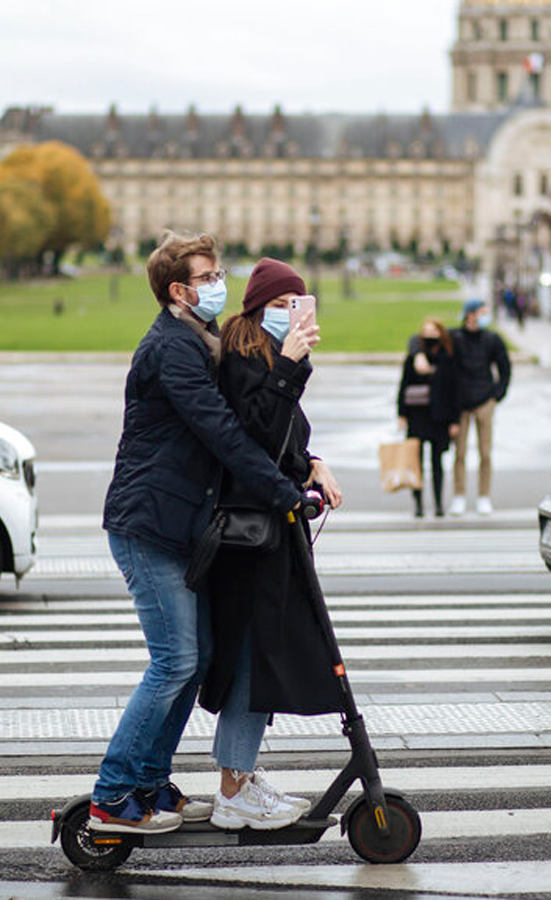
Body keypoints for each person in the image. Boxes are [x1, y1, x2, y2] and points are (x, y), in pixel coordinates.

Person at [92, 233, 306, 835]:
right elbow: (223, 433)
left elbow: (246, 423)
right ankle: (113, 793)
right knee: (175, 661)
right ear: (179, 290)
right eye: (209, 275)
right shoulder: (173, 350)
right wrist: (281, 490)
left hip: (176, 525)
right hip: (149, 525)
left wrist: (306, 464)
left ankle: (151, 782)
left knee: (198, 656)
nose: (221, 284)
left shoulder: (197, 338)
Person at [201, 257, 345, 830]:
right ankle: (233, 789)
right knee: (251, 656)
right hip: (249, 536)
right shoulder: (243, 358)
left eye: (300, 304)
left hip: (271, 529)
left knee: (262, 654)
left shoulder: (265, 355)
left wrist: (313, 464)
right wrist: (290, 366)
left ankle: (240, 775)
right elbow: (254, 433)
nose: (294, 314)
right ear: (261, 308)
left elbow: (283, 439)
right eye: (285, 305)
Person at [449, 298, 511, 516]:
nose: (485, 316)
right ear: (470, 314)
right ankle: (459, 495)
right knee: (460, 453)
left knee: (486, 452)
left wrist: (497, 395)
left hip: (485, 400)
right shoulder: (454, 337)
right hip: (461, 403)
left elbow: (504, 367)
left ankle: (484, 496)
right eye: (482, 312)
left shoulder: (492, 339)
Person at [397, 317, 460, 518]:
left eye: (434, 331)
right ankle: (418, 504)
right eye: (426, 331)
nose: (430, 335)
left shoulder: (448, 357)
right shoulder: (415, 356)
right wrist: (401, 414)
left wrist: (454, 420)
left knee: (437, 463)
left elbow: (454, 391)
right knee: (417, 463)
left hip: (439, 417)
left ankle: (439, 503)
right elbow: (403, 386)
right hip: (417, 416)